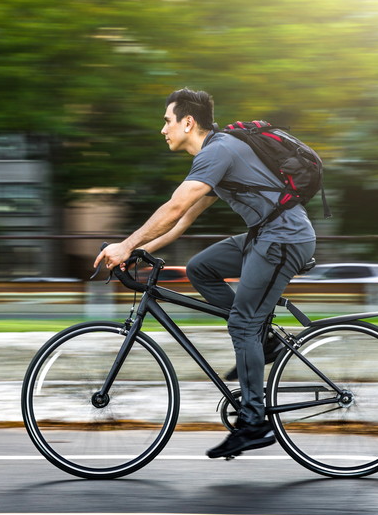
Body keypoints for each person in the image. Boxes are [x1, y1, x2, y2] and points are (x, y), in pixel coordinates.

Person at [94, 88, 316, 460]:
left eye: (167, 121)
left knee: (242, 324)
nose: (162, 129)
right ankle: (262, 342)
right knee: (201, 268)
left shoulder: (218, 151)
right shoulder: (216, 154)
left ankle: (253, 421)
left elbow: (175, 204)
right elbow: (182, 219)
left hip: (284, 239)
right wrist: (143, 250)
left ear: (188, 122)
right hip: (266, 235)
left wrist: (126, 245)